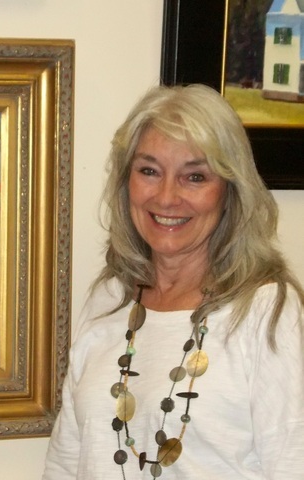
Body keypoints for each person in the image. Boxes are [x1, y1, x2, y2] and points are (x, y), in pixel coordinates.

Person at [42, 84, 304, 480]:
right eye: (149, 171)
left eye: (194, 177)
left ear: (230, 191)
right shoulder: (109, 298)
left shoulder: (266, 311)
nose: (166, 197)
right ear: (125, 181)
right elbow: (65, 464)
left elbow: (292, 464)